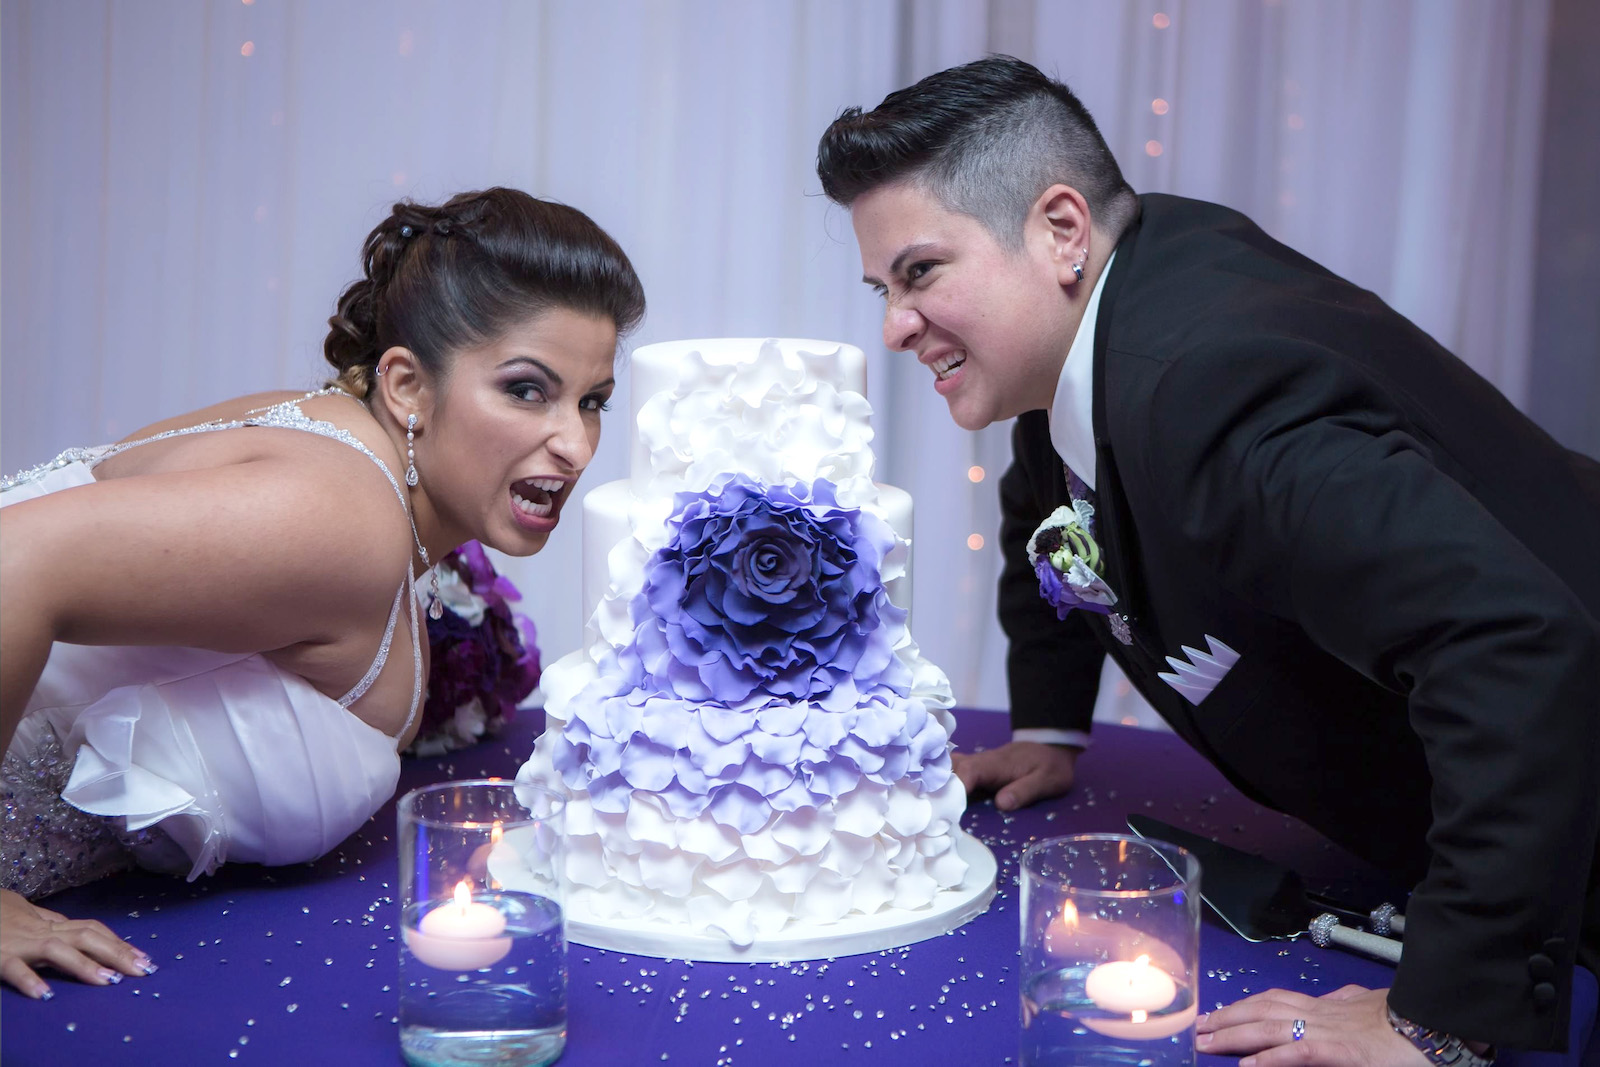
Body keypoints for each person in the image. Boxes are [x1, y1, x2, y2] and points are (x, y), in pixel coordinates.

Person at [817, 55, 1600, 1065]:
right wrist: (1048, 728)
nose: (892, 326)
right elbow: (1042, 500)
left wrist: (1442, 1013)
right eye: (883, 286)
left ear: (1060, 229)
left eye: (920, 272)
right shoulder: (1109, 306)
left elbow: (1515, 643)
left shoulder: (1212, 394)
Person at [0, 187, 645, 1001]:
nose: (576, 442)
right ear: (407, 387)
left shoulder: (344, 455)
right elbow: (13, 556)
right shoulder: (342, 517)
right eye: (527, 390)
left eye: (592, 401)